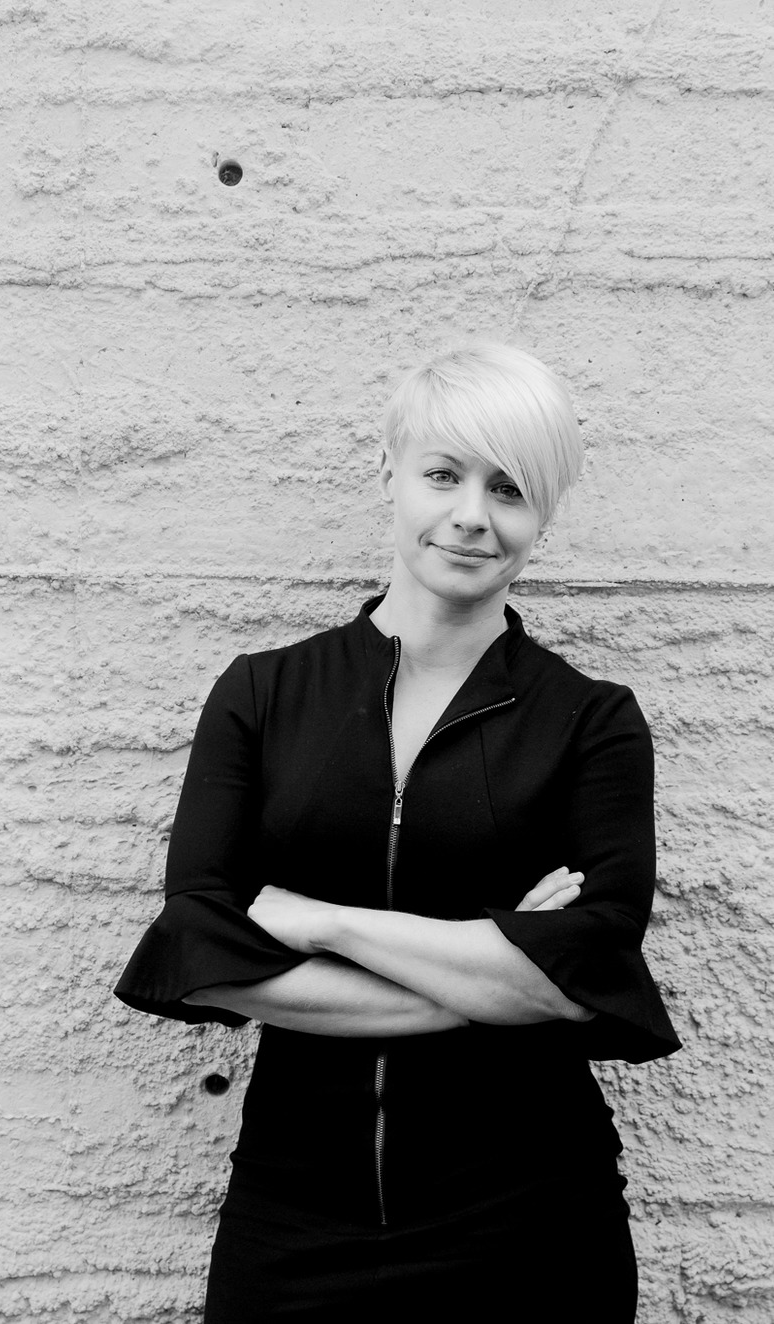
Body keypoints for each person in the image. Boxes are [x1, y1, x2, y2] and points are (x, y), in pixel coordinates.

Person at [115, 342, 681, 1323]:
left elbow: (591, 960)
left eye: (509, 488)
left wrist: (317, 920)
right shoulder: (263, 693)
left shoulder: (591, 723)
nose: (472, 513)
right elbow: (200, 949)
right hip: (295, 1217)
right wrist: (503, 974)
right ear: (388, 473)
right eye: (442, 474)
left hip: (531, 1224)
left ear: (541, 512)